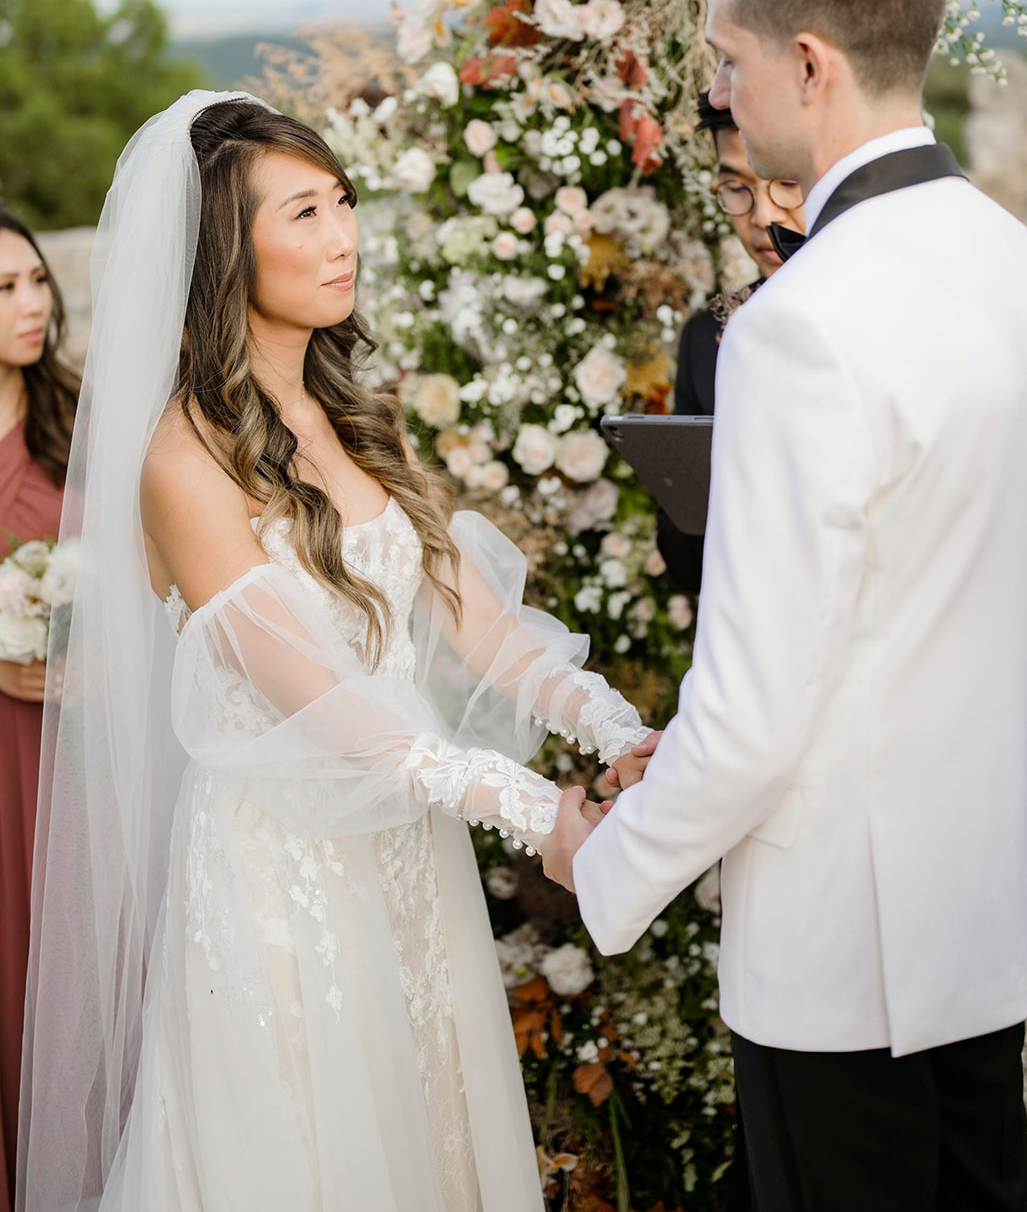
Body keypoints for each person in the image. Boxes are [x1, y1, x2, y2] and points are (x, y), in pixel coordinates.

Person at [18, 92, 651, 1212]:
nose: (344, 234)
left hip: (407, 844)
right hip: (282, 868)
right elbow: (315, 697)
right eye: (304, 210)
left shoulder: (360, 411)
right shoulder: (181, 459)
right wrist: (527, 805)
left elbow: (473, 615)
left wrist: (611, 726)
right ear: (227, 251)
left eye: (345, 201)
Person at [545, 0, 1027, 1212]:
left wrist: (603, 859)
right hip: (975, 904)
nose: (720, 93)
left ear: (808, 63)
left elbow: (755, 708)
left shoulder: (801, 321)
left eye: (725, 61)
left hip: (843, 949)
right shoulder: (1017, 265)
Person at [0, 210, 79, 1212]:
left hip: (69, 755)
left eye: (34, 281)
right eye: (3, 290)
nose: (31, 305)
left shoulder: (76, 418)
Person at [656, 99, 805, 593]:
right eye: (736, 189)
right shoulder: (706, 336)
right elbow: (681, 551)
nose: (763, 216)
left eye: (787, 183)